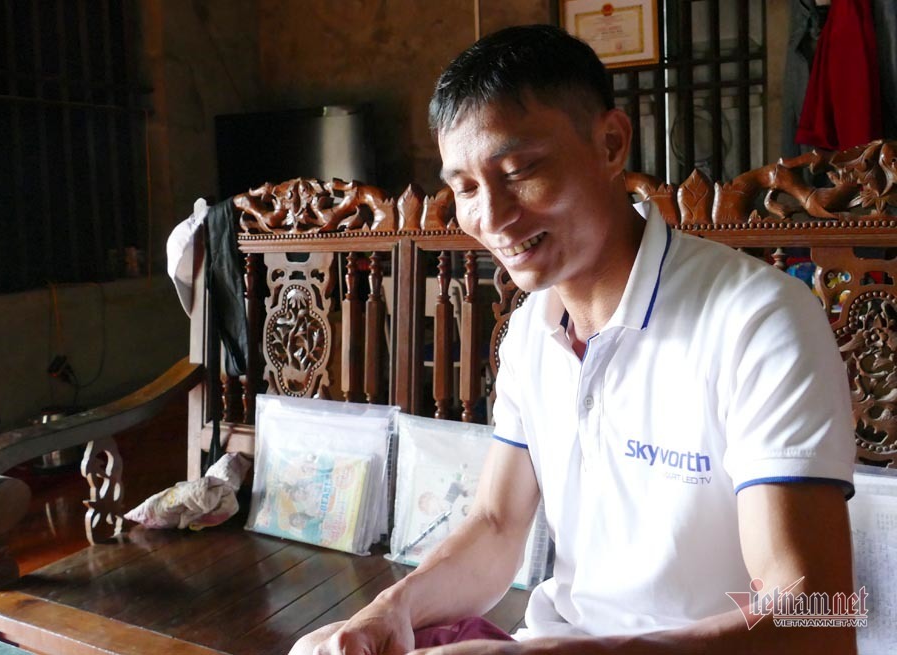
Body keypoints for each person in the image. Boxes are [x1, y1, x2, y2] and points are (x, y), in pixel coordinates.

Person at [291, 24, 857, 655]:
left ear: (611, 144)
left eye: (520, 171)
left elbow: (818, 624)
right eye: (466, 188)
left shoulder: (759, 322)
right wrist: (387, 611)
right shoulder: (532, 329)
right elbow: (497, 525)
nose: (493, 218)